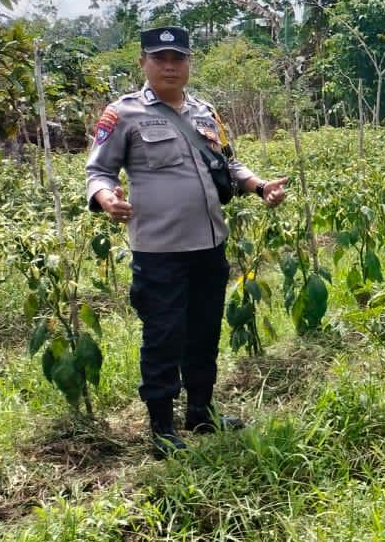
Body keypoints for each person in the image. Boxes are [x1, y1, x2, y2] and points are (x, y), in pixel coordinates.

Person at [86, 26, 287, 458]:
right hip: (159, 251)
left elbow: (229, 163)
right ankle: (162, 427)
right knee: (163, 336)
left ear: (188, 63)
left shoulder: (205, 113)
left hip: (209, 246)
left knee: (203, 331)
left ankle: (201, 411)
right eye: (160, 58)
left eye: (178, 58)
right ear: (143, 62)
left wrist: (259, 185)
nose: (170, 66)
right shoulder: (123, 113)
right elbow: (99, 171)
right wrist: (105, 198)